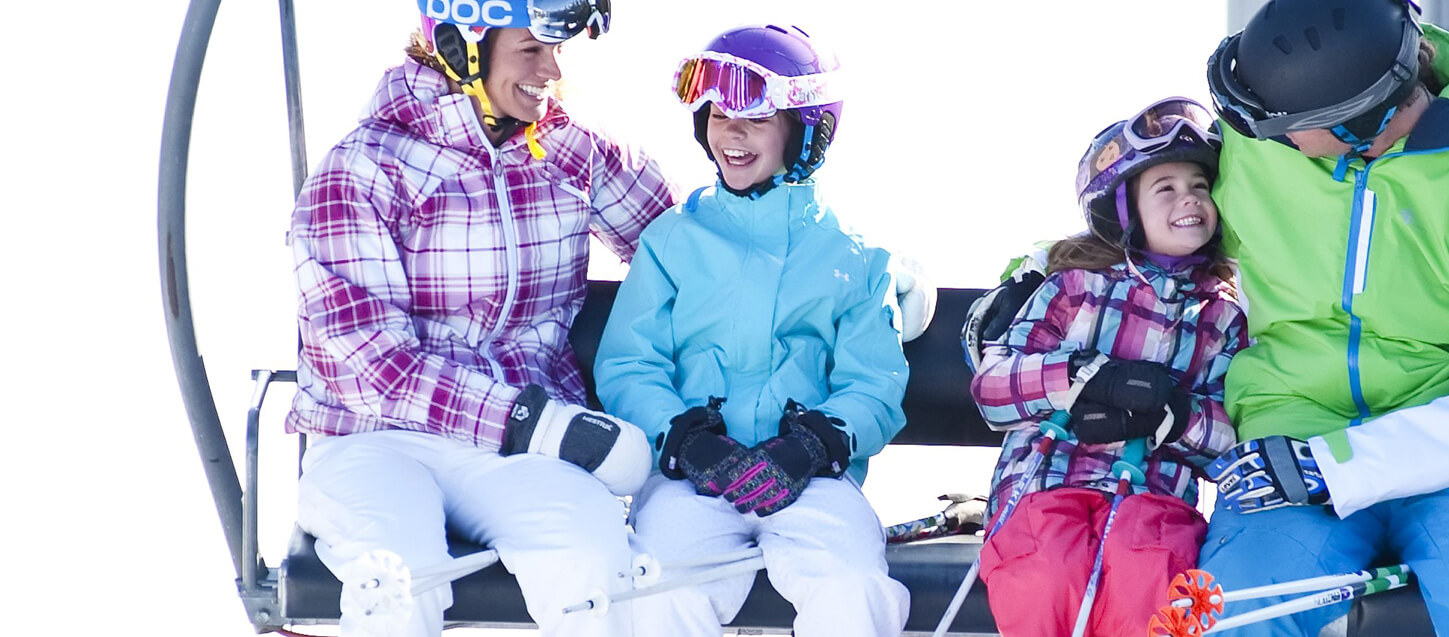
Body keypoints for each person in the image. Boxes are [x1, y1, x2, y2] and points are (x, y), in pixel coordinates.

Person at [285, 1, 677, 635]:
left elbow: (694, 258)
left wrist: (862, 286)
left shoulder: (569, 153)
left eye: (558, 51)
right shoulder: (364, 168)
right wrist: (534, 423)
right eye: (531, 50)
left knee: (592, 562)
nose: (552, 69)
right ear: (461, 45)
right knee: (397, 577)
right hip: (375, 440)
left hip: (516, 458)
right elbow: (368, 363)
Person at [1196, 1, 1449, 635]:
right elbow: (1145, 215)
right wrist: (1046, 275)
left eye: (1287, 127)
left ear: (1358, 127)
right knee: (1235, 613)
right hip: (1291, 428)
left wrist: (1338, 465)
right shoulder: (1257, 140)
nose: (1265, 135)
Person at [591, 24, 911, 637]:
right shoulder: (673, 243)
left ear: (805, 130)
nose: (730, 132)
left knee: (851, 587)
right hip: (692, 481)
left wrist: (815, 442)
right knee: (659, 589)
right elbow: (631, 363)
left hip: (811, 480)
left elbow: (874, 383)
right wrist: (681, 439)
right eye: (716, 114)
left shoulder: (854, 259)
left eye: (755, 119)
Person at [968, 97, 1249, 637]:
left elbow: (1227, 442)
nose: (1189, 200)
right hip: (1047, 489)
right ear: (1125, 211)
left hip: (1154, 500)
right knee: (1046, 576)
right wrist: (1082, 375)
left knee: (1152, 581)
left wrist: (1174, 414)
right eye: (1164, 189)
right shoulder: (1074, 290)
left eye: (1199, 186)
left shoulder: (1221, 319)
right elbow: (992, 388)